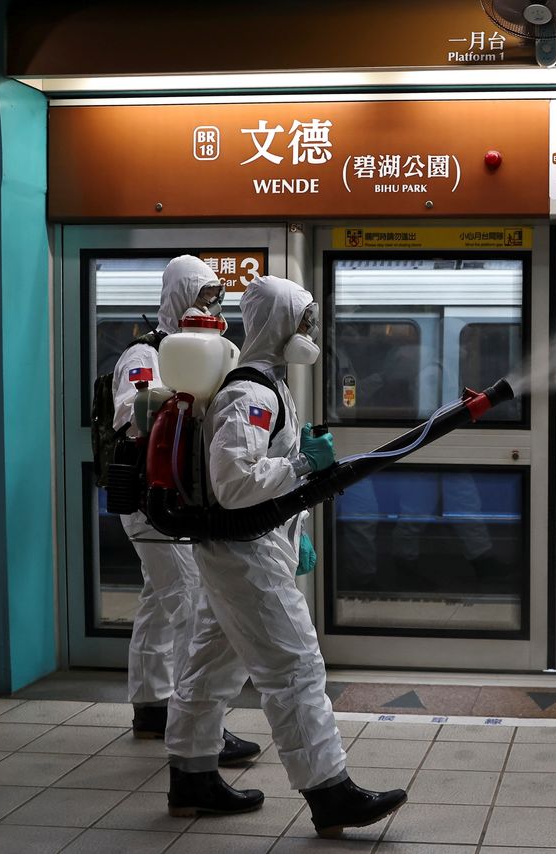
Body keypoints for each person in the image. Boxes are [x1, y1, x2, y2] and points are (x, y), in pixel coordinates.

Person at [164, 275, 407, 835]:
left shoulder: (268, 385)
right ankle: (330, 792)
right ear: (277, 323)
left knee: (210, 663)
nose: (311, 331)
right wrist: (305, 466)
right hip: (243, 551)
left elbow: (255, 482)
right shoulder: (248, 392)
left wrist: (295, 535)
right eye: (304, 320)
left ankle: (191, 776)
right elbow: (234, 483)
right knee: (295, 666)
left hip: (246, 546)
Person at [112, 254, 259, 766]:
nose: (208, 307)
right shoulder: (144, 355)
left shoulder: (203, 350)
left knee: (159, 599)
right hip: (153, 502)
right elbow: (130, 416)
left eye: (215, 298)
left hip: (175, 498)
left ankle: (151, 705)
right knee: (189, 604)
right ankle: (197, 728)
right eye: (200, 297)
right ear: (177, 297)